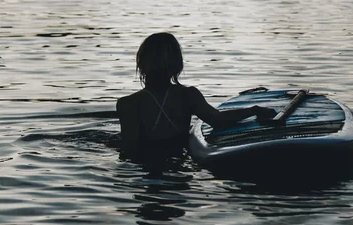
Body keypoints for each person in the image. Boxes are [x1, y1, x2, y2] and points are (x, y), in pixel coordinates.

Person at [116, 32, 276, 156]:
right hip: (180, 161)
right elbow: (218, 120)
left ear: (141, 64)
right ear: (177, 65)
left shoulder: (128, 104)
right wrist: (253, 110)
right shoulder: (188, 95)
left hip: (146, 167)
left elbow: (129, 149)